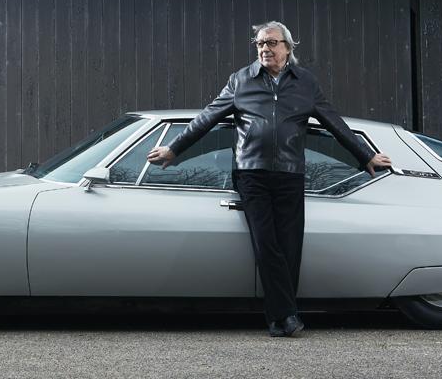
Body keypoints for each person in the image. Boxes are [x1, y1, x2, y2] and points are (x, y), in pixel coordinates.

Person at [147, 21, 392, 337]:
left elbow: (333, 122)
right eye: (260, 43)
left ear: (288, 48)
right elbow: (207, 117)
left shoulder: (305, 83)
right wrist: (174, 148)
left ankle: (279, 320)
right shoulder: (241, 80)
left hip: (290, 173)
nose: (265, 48)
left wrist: (365, 155)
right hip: (251, 173)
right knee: (266, 243)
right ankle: (287, 315)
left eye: (272, 42)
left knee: (290, 247)